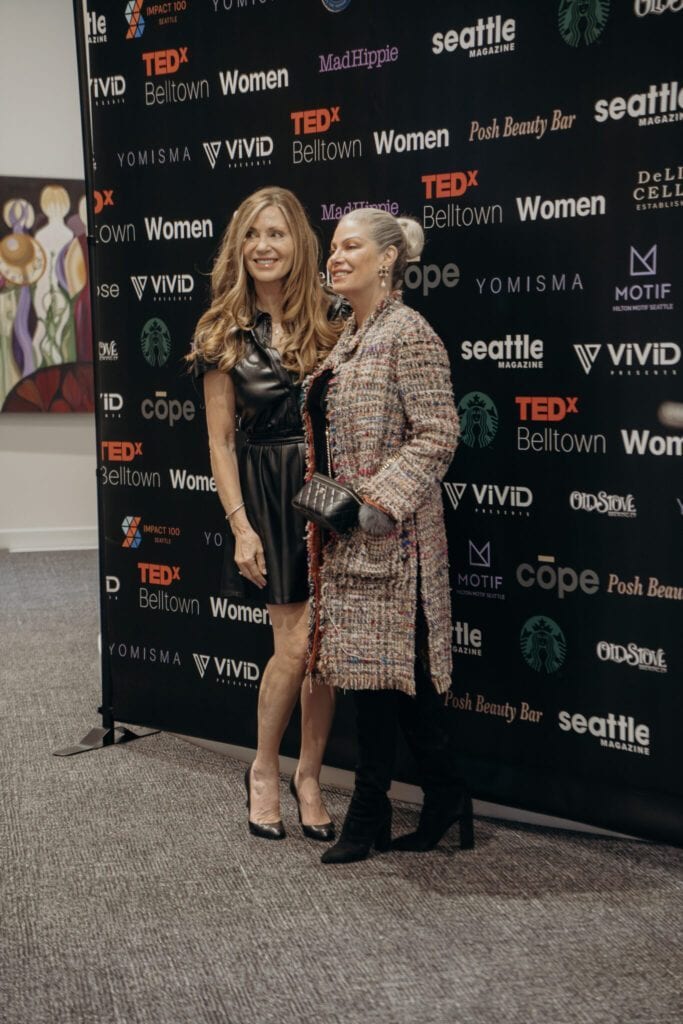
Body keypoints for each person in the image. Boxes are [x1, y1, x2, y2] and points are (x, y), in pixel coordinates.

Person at [301, 208, 474, 864]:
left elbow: (437, 432)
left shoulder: (409, 332)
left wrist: (374, 504)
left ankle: (373, 809)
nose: (335, 257)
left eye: (349, 246)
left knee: (394, 686)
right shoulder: (346, 336)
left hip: (396, 545)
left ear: (385, 260)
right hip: (348, 542)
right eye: (332, 247)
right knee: (385, 685)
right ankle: (440, 797)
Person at [190, 186, 342, 842]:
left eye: (276, 234)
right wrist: (239, 525)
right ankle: (262, 769)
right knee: (295, 644)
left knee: (324, 654)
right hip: (269, 499)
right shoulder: (221, 329)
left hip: (330, 493)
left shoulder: (334, 316)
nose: (263, 247)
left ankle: (308, 774)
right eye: (252, 235)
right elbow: (220, 441)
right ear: (238, 246)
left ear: (298, 243)